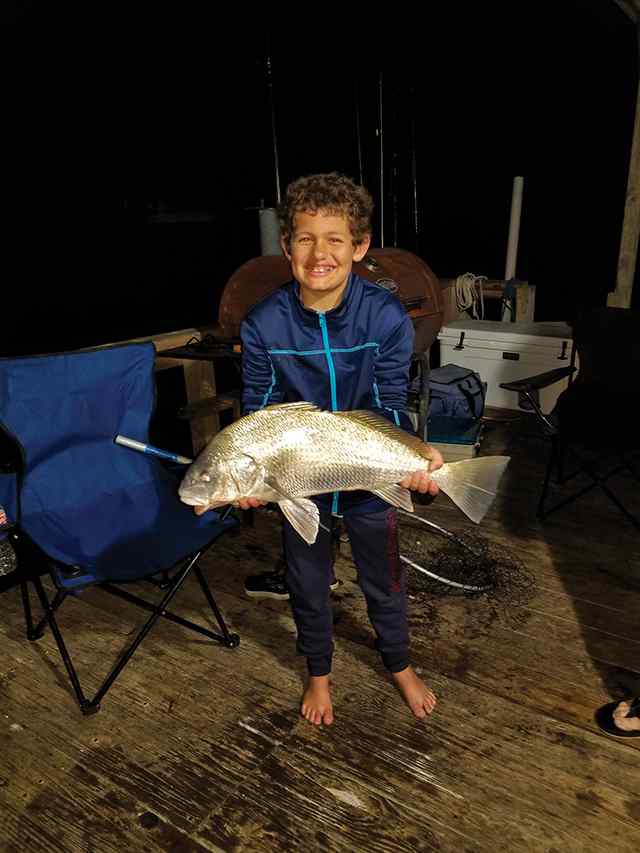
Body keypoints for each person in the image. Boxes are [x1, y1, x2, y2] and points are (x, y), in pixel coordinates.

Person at [236, 172, 443, 725]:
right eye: (305, 239)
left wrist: (410, 456)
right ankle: (318, 673)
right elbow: (259, 411)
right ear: (287, 246)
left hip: (367, 471)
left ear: (360, 246)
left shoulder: (385, 316)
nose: (319, 254)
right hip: (299, 484)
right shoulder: (263, 324)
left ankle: (398, 662)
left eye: (335, 239)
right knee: (306, 582)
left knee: (384, 578)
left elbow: (390, 400)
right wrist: (249, 478)